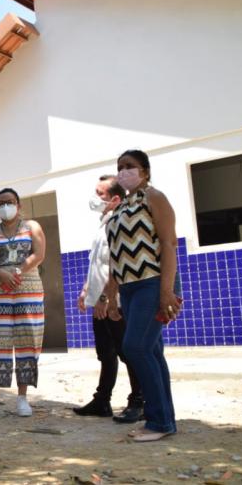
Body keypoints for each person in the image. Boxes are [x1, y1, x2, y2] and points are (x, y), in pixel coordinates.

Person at [104, 150, 181, 442]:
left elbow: (168, 243)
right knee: (151, 351)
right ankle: (164, 419)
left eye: (130, 167)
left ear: (145, 171)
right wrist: (112, 297)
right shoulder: (121, 207)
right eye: (120, 167)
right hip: (129, 287)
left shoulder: (154, 197)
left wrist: (166, 291)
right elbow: (115, 257)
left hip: (152, 283)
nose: (124, 172)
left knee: (135, 347)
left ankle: (159, 421)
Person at [73, 175, 144, 423]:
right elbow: (98, 263)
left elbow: (116, 263)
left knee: (127, 352)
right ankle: (102, 401)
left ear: (115, 198)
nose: (95, 198)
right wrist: (86, 290)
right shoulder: (103, 224)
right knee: (106, 353)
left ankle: (139, 402)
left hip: (114, 301)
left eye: (100, 193)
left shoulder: (119, 222)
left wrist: (106, 297)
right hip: (99, 298)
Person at [0, 188, 46, 418]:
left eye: (9, 202)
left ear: (19, 205)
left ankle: (22, 398)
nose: (5, 206)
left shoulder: (32, 227)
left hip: (28, 288)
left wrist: (17, 271)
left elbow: (39, 254)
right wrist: (1, 274)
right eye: (1, 203)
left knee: (28, 340)